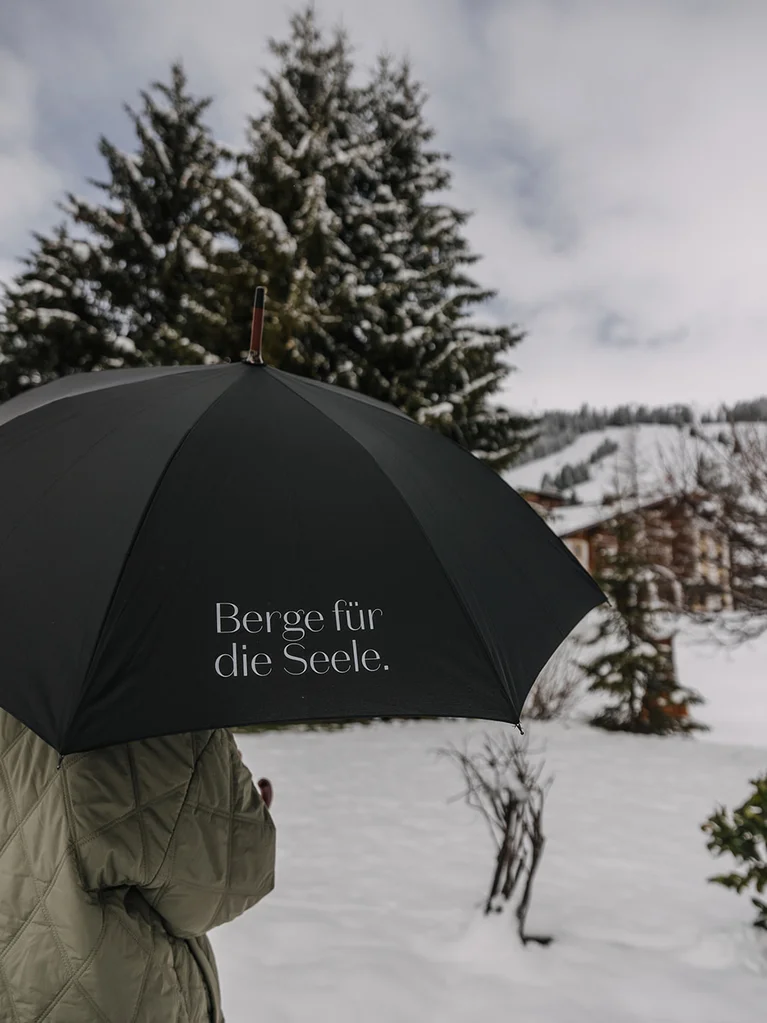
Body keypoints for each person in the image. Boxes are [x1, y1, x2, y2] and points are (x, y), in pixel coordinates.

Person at [0, 706, 275, 1022]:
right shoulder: (143, 694)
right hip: (114, 998)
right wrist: (234, 804)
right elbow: (227, 880)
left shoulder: (19, 677)